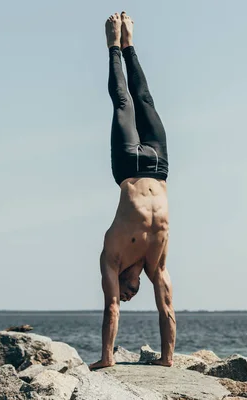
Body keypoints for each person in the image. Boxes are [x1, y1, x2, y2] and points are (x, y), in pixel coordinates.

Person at [88, 11, 176, 370]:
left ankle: (114, 44)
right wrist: (167, 359)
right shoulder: (156, 263)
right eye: (130, 294)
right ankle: (130, 45)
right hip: (158, 164)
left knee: (124, 103)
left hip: (126, 166)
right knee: (146, 100)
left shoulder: (111, 256)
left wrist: (107, 358)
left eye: (125, 294)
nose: (125, 296)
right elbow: (167, 305)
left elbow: (111, 307)